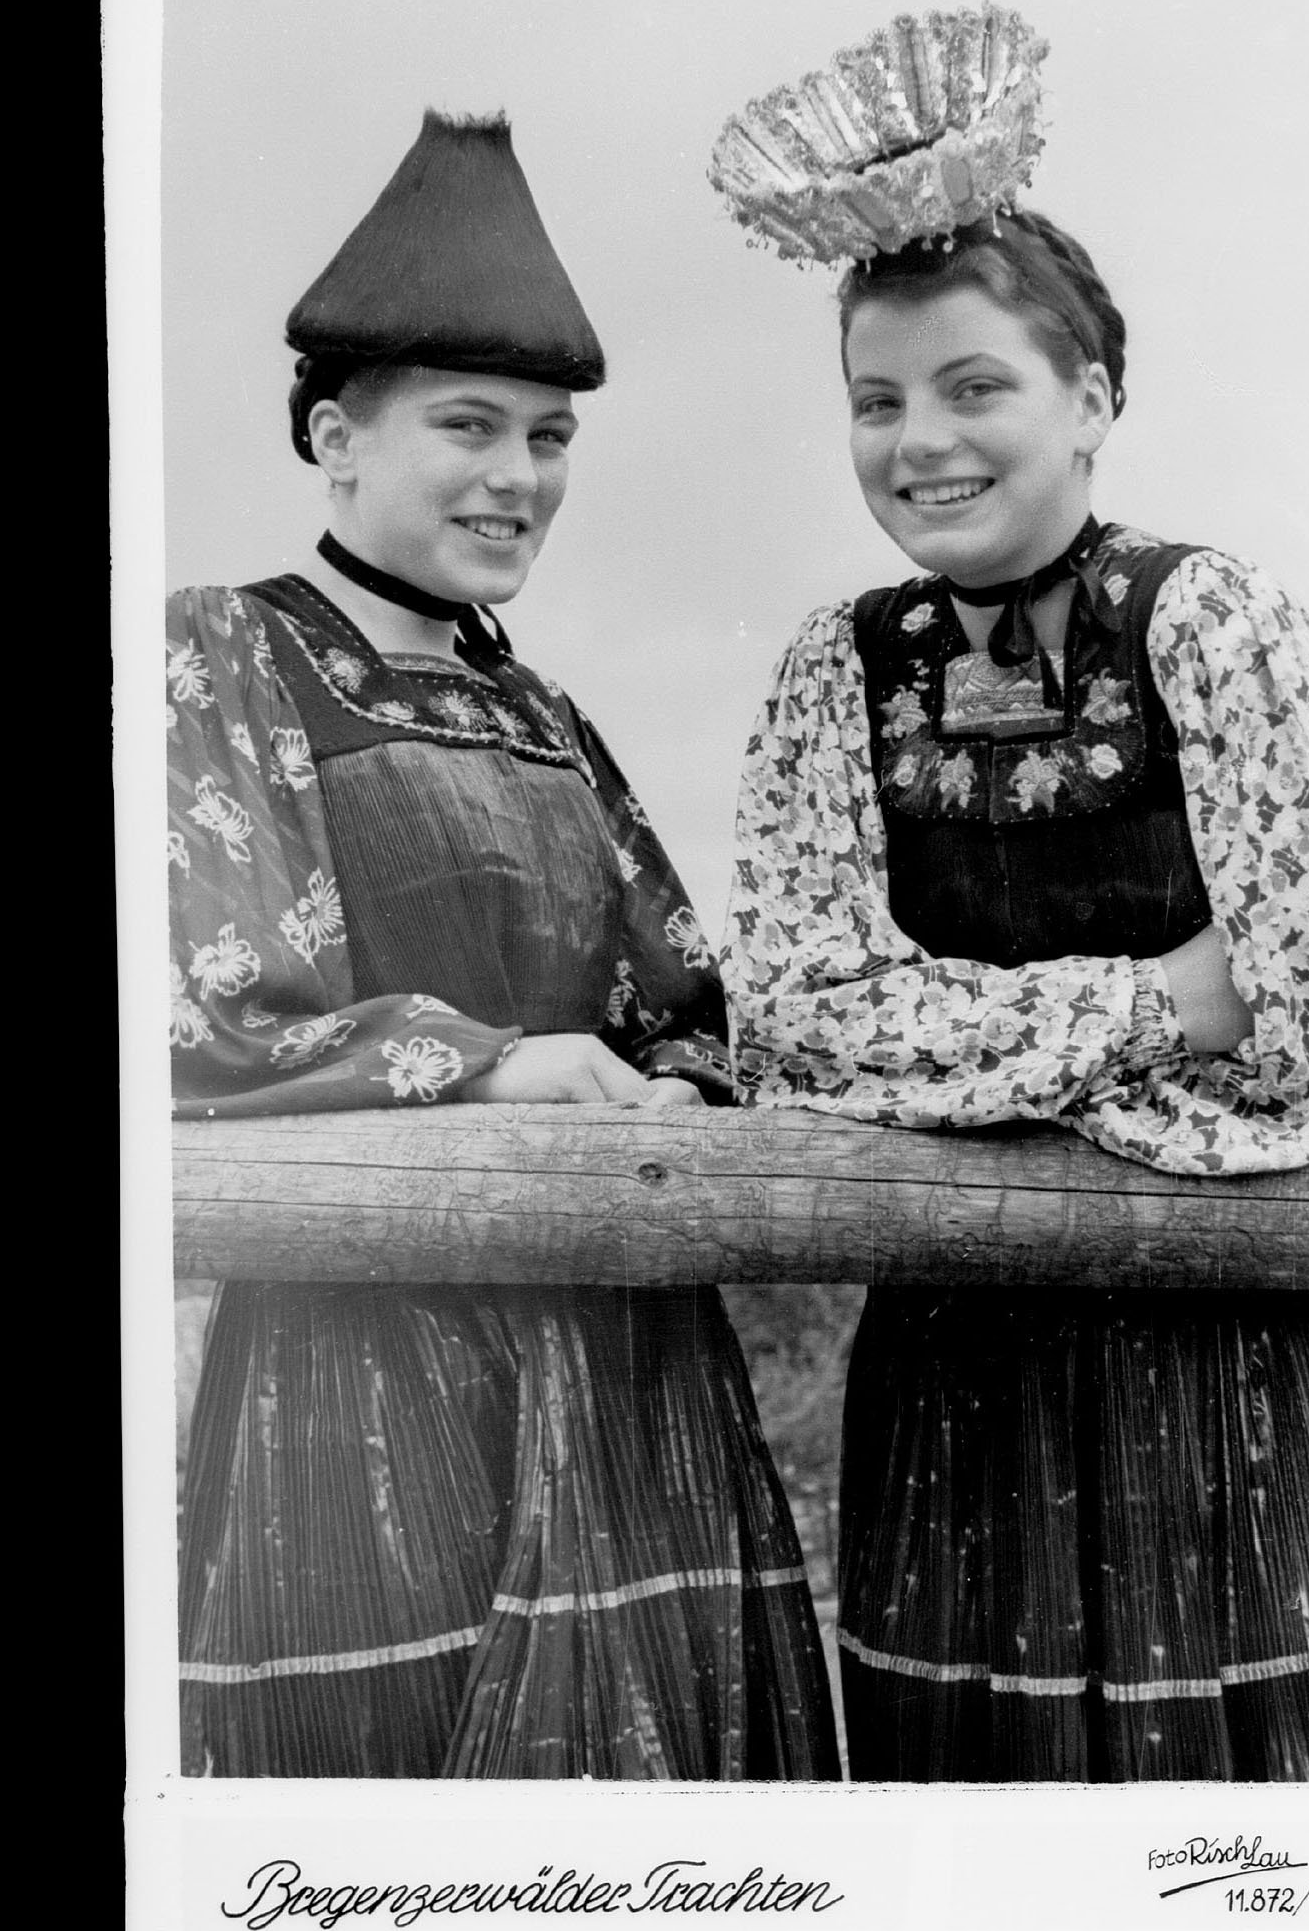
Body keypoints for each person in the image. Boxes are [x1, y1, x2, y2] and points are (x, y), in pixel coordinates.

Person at [713, 8, 1309, 1783]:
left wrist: (959, 1059)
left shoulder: (1216, 625)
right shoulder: (832, 673)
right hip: (958, 1384)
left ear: (1093, 399)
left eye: (975, 388)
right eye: (877, 400)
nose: (919, 442)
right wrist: (1164, 1001)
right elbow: (799, 1026)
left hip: (1246, 1360)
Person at [171, 108, 838, 1781]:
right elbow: (212, 1009)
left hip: (630, 1373)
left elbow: (681, 993)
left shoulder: (546, 713)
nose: (519, 477)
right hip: (367, 1366)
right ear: (335, 436)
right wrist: (485, 1069)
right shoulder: (230, 655)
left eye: (548, 437)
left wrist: (679, 1089)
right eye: (468, 426)